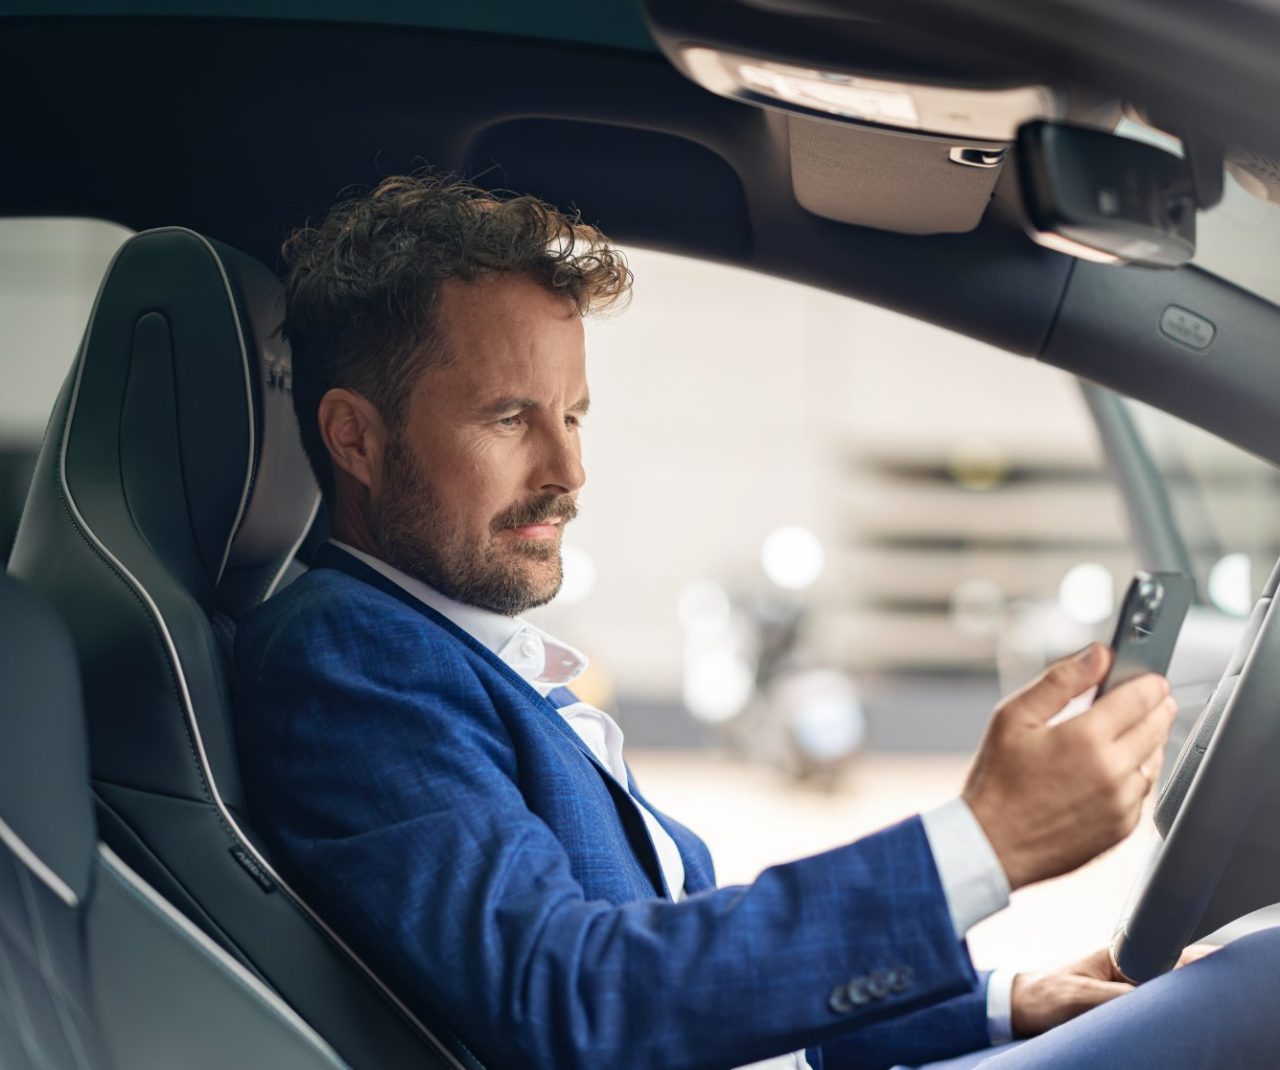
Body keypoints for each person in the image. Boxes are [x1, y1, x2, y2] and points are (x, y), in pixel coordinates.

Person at [234, 174, 1280, 1070]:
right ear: (355, 439)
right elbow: (570, 998)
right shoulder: (350, 658)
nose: (567, 471)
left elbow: (701, 993)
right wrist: (981, 839)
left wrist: (1007, 999)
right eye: (509, 418)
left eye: (573, 414)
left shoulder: (460, 651)